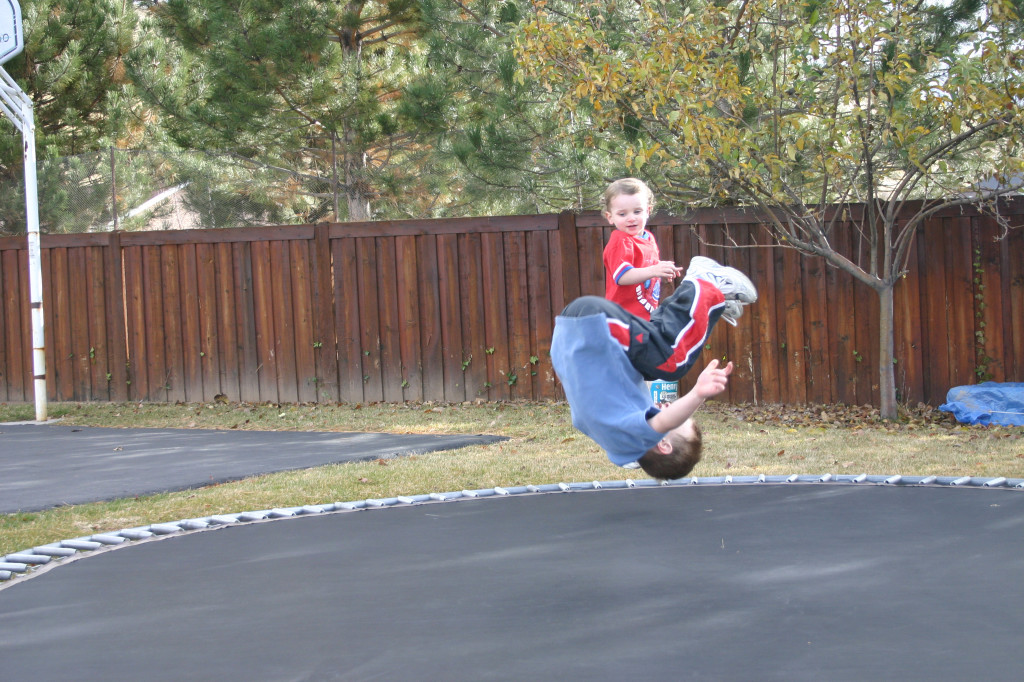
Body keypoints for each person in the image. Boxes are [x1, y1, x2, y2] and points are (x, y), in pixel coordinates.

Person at [551, 256, 757, 480]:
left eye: (677, 419)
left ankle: (703, 283)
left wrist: (698, 393)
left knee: (672, 364)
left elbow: (663, 422)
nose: (668, 407)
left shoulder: (634, 436)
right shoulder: (619, 444)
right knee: (654, 354)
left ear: (663, 445)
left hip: (593, 328)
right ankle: (711, 305)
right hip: (572, 333)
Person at [601, 178, 682, 319]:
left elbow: (648, 266)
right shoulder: (620, 242)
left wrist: (662, 269)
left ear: (648, 211)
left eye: (637, 211)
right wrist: (654, 270)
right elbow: (622, 277)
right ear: (610, 217)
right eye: (622, 214)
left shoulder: (648, 238)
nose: (631, 218)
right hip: (623, 320)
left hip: (645, 315)